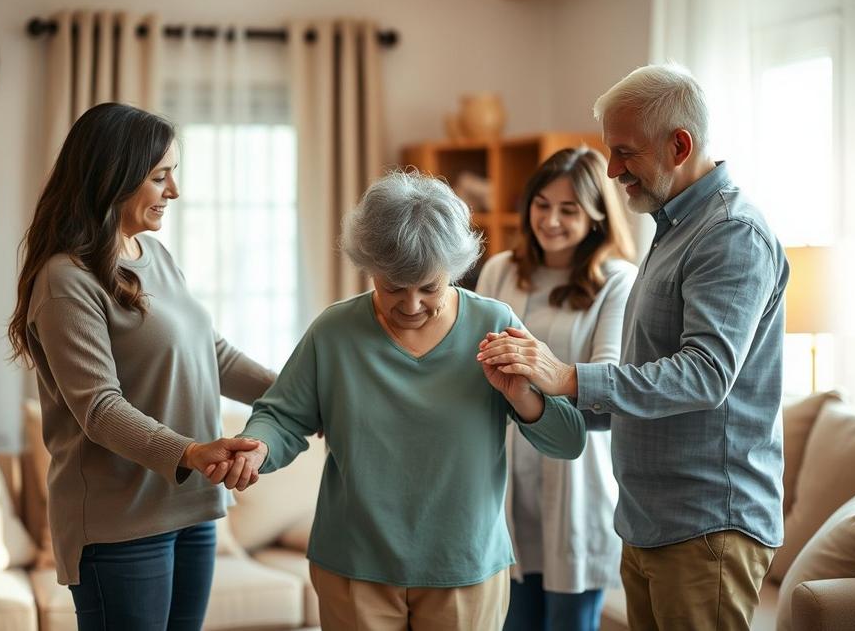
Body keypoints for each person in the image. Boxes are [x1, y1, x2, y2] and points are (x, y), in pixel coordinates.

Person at [477, 64, 789, 631]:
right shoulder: (672, 229)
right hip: (647, 520)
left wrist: (568, 377)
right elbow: (645, 382)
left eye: (625, 152)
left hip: (705, 527)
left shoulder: (730, 234)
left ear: (679, 144)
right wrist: (540, 402)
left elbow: (704, 376)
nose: (613, 169)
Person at [216, 170, 587, 630]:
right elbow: (282, 415)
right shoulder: (335, 332)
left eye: (429, 288)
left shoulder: (494, 324)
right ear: (369, 267)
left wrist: (523, 395)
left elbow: (569, 440)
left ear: (454, 270)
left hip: (463, 567)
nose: (411, 305)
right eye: (393, 287)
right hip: (354, 564)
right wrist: (260, 446)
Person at [7, 102, 275, 631]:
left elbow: (211, 354)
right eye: (159, 176)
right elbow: (100, 409)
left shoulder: (153, 254)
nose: (173, 191)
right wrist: (193, 451)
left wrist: (303, 393)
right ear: (114, 178)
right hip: (120, 523)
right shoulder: (66, 281)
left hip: (192, 505)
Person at [475, 146, 635, 631]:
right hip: (507, 477)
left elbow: (605, 377)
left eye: (569, 209)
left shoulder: (617, 281)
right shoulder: (501, 268)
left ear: (596, 217)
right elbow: (475, 356)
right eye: (542, 204)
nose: (550, 220)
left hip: (578, 479)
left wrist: (534, 378)